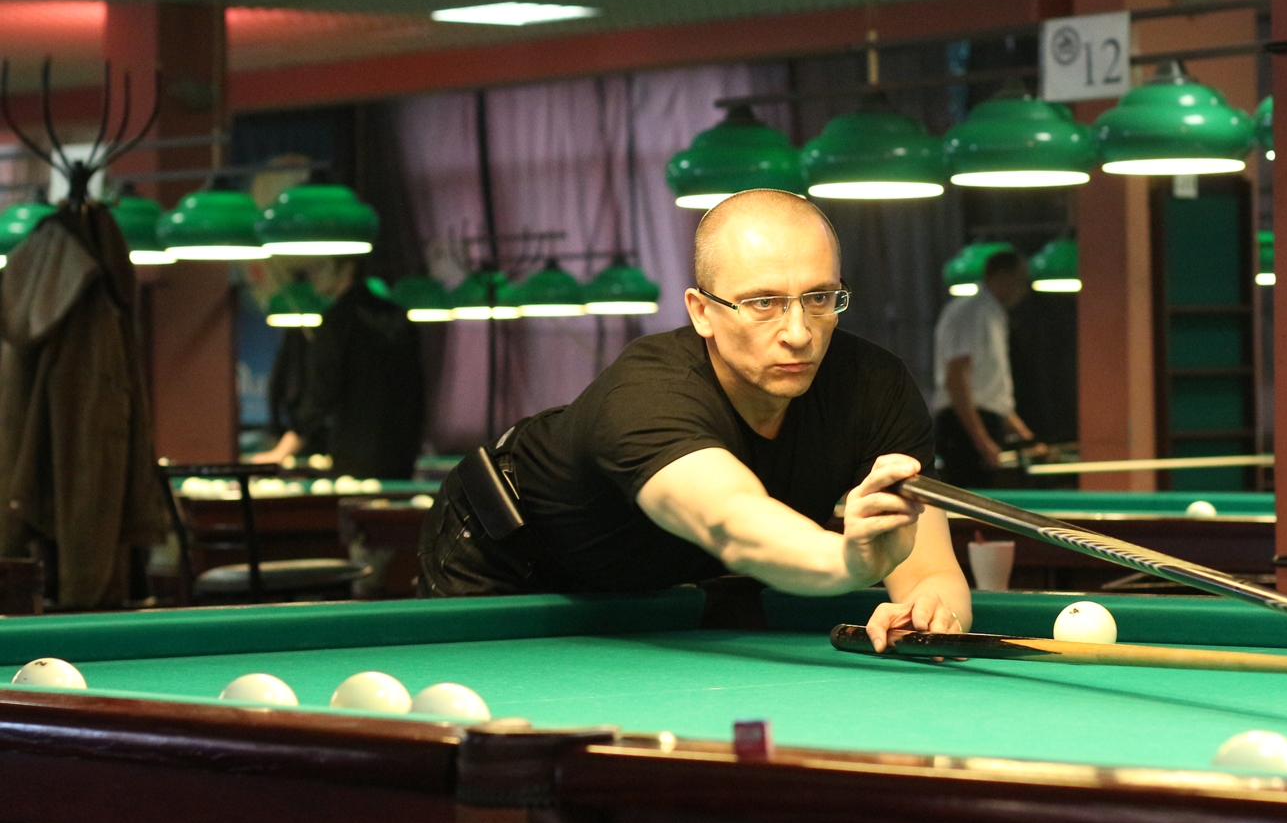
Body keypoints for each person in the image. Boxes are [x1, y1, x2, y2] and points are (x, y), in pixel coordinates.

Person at [419, 190, 970, 649]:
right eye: (763, 303)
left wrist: (929, 614)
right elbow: (730, 521)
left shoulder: (876, 387)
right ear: (702, 311)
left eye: (819, 297)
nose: (799, 332)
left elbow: (927, 569)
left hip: (657, 573)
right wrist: (848, 562)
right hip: (508, 551)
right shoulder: (647, 393)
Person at [251, 258, 425, 479]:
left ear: (347, 270)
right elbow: (418, 392)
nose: (313, 273)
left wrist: (281, 452)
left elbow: (320, 396)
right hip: (403, 458)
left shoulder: (336, 321)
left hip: (356, 462)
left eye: (321, 266)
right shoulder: (399, 316)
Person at [930, 249, 1036, 488]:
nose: (1024, 288)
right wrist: (981, 439)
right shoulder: (971, 311)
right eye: (1021, 279)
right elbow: (956, 377)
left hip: (980, 422)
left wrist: (1024, 435)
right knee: (972, 501)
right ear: (1002, 276)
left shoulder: (992, 313)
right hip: (964, 426)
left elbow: (989, 388)